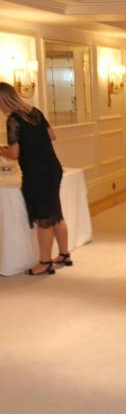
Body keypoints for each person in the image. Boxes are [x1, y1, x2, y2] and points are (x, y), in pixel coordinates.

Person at [0, 82, 72, 275]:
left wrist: (2, 150)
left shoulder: (13, 119)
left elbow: (14, 154)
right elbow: (52, 135)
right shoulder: (35, 111)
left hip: (36, 173)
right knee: (55, 213)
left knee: (44, 219)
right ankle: (64, 255)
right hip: (52, 168)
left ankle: (45, 262)